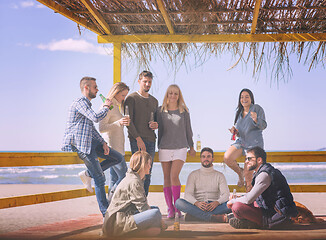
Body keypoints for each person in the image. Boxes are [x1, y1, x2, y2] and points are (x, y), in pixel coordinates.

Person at [62, 76, 123, 217]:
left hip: (92, 143)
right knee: (100, 179)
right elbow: (96, 118)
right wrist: (107, 106)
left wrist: (103, 142)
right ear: (86, 88)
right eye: (95, 87)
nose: (97, 89)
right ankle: (106, 214)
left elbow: (92, 129)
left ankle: (88, 174)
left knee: (117, 157)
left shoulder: (87, 105)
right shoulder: (79, 103)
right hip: (82, 145)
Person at [227, 146, 298, 229]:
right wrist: (240, 197)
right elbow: (253, 196)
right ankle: (251, 222)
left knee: (237, 207)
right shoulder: (262, 171)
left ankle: (257, 223)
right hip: (270, 208)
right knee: (240, 204)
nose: (246, 162)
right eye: (246, 159)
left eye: (249, 159)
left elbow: (249, 199)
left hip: (279, 215)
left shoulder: (264, 174)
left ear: (259, 160)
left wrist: (233, 201)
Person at [156, 84, 196, 219]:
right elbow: (158, 129)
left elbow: (188, 129)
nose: (173, 96)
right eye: (170, 93)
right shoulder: (160, 111)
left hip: (180, 147)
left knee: (174, 176)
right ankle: (170, 209)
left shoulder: (184, 111)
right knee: (166, 177)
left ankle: (177, 207)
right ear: (167, 95)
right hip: (164, 147)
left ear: (179, 96)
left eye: (176, 94)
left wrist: (191, 146)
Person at [102, 151, 164, 237]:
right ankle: (128, 234)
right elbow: (143, 208)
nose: (150, 166)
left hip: (125, 215)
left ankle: (143, 231)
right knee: (155, 213)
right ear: (143, 164)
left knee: (155, 210)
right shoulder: (134, 182)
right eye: (148, 164)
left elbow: (142, 205)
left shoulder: (135, 178)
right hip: (117, 223)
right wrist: (161, 222)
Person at [224, 88, 267, 190]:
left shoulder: (257, 108)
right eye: (242, 97)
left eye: (246, 96)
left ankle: (249, 202)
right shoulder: (239, 112)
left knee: (248, 177)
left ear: (251, 98)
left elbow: (263, 126)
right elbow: (240, 132)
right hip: (241, 143)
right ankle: (240, 173)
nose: (244, 99)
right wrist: (235, 131)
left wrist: (256, 119)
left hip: (254, 145)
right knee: (227, 158)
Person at [124, 71, 159, 196]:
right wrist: (138, 139)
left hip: (151, 140)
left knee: (148, 173)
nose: (147, 84)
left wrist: (156, 125)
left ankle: (143, 203)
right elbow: (129, 122)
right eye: (145, 81)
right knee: (138, 174)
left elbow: (156, 121)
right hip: (137, 141)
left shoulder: (154, 101)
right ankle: (135, 204)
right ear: (139, 82)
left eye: (149, 82)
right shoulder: (131, 99)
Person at [175, 147, 232, 222]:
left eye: (208, 156)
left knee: (233, 204)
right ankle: (212, 218)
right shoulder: (193, 175)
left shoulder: (219, 175)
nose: (206, 159)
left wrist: (217, 202)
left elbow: (226, 195)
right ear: (200, 159)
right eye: (203, 156)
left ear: (213, 159)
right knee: (179, 202)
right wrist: (197, 203)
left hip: (215, 206)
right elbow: (188, 195)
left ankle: (196, 216)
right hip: (198, 206)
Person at [99, 82, 130, 199]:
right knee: (125, 177)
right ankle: (111, 204)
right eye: (123, 95)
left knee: (114, 179)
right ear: (116, 93)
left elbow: (116, 127)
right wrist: (119, 122)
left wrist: (122, 123)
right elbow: (102, 128)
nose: (124, 98)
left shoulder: (116, 107)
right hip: (113, 149)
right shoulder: (106, 106)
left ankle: (110, 208)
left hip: (119, 148)